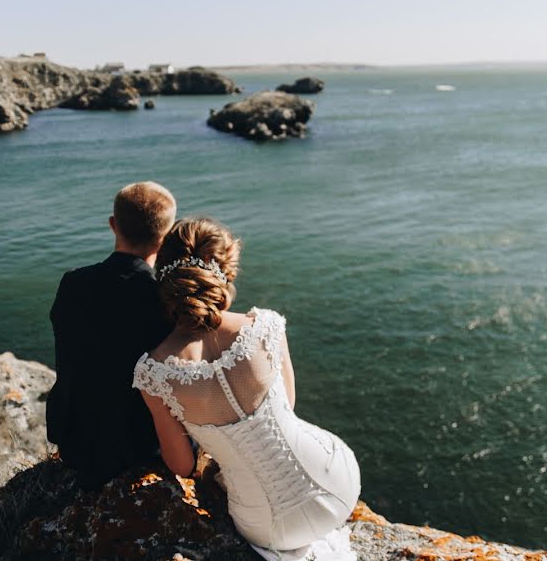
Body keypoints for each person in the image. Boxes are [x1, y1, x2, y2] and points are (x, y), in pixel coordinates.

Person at [132, 218, 361, 559]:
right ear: (226, 272)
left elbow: (181, 465)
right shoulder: (266, 326)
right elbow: (289, 403)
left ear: (165, 279)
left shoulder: (154, 373)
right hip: (338, 484)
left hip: (270, 527)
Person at [47, 181, 176, 489]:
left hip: (74, 439)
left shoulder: (72, 283)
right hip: (138, 447)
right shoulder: (164, 299)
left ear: (113, 225)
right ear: (165, 237)